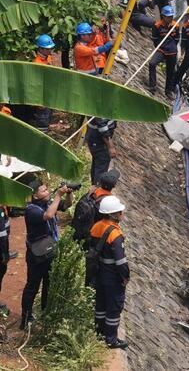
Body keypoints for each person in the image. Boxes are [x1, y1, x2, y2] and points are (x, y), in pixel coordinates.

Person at [21, 179, 75, 329]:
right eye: (44, 190)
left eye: (47, 189)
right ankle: (25, 318)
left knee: (48, 284)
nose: (47, 192)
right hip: (36, 255)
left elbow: (66, 205)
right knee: (32, 286)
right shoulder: (31, 209)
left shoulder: (48, 203)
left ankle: (45, 314)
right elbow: (48, 215)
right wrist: (58, 195)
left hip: (49, 250)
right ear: (35, 195)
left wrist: (68, 194)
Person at [89, 195, 129, 348]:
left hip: (99, 272)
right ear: (115, 214)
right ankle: (111, 339)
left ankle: (99, 332)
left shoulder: (97, 226)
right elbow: (121, 261)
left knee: (101, 303)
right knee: (114, 306)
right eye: (120, 211)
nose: (122, 213)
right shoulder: (115, 234)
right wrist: (125, 276)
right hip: (112, 276)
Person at [72, 170, 118, 245]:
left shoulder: (91, 193)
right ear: (114, 186)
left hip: (77, 229)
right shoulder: (109, 202)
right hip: (91, 236)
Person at [149, 6, 179, 97]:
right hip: (161, 50)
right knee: (152, 63)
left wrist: (172, 47)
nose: (170, 18)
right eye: (168, 17)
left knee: (171, 71)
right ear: (163, 16)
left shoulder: (176, 25)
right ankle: (152, 86)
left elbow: (177, 39)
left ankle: (168, 91)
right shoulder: (157, 26)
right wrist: (160, 47)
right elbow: (155, 39)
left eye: (171, 16)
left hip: (172, 51)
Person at [32, 34, 56, 128]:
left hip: (49, 95)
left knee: (48, 119)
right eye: (47, 49)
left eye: (50, 48)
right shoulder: (37, 63)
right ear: (41, 49)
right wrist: (38, 101)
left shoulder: (48, 58)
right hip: (42, 98)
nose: (50, 50)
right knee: (42, 121)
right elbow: (35, 84)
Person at [85, 117, 117, 185]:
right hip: (99, 140)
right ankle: (96, 187)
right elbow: (102, 126)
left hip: (93, 138)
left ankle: (94, 186)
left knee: (98, 165)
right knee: (101, 167)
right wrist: (111, 147)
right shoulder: (102, 111)